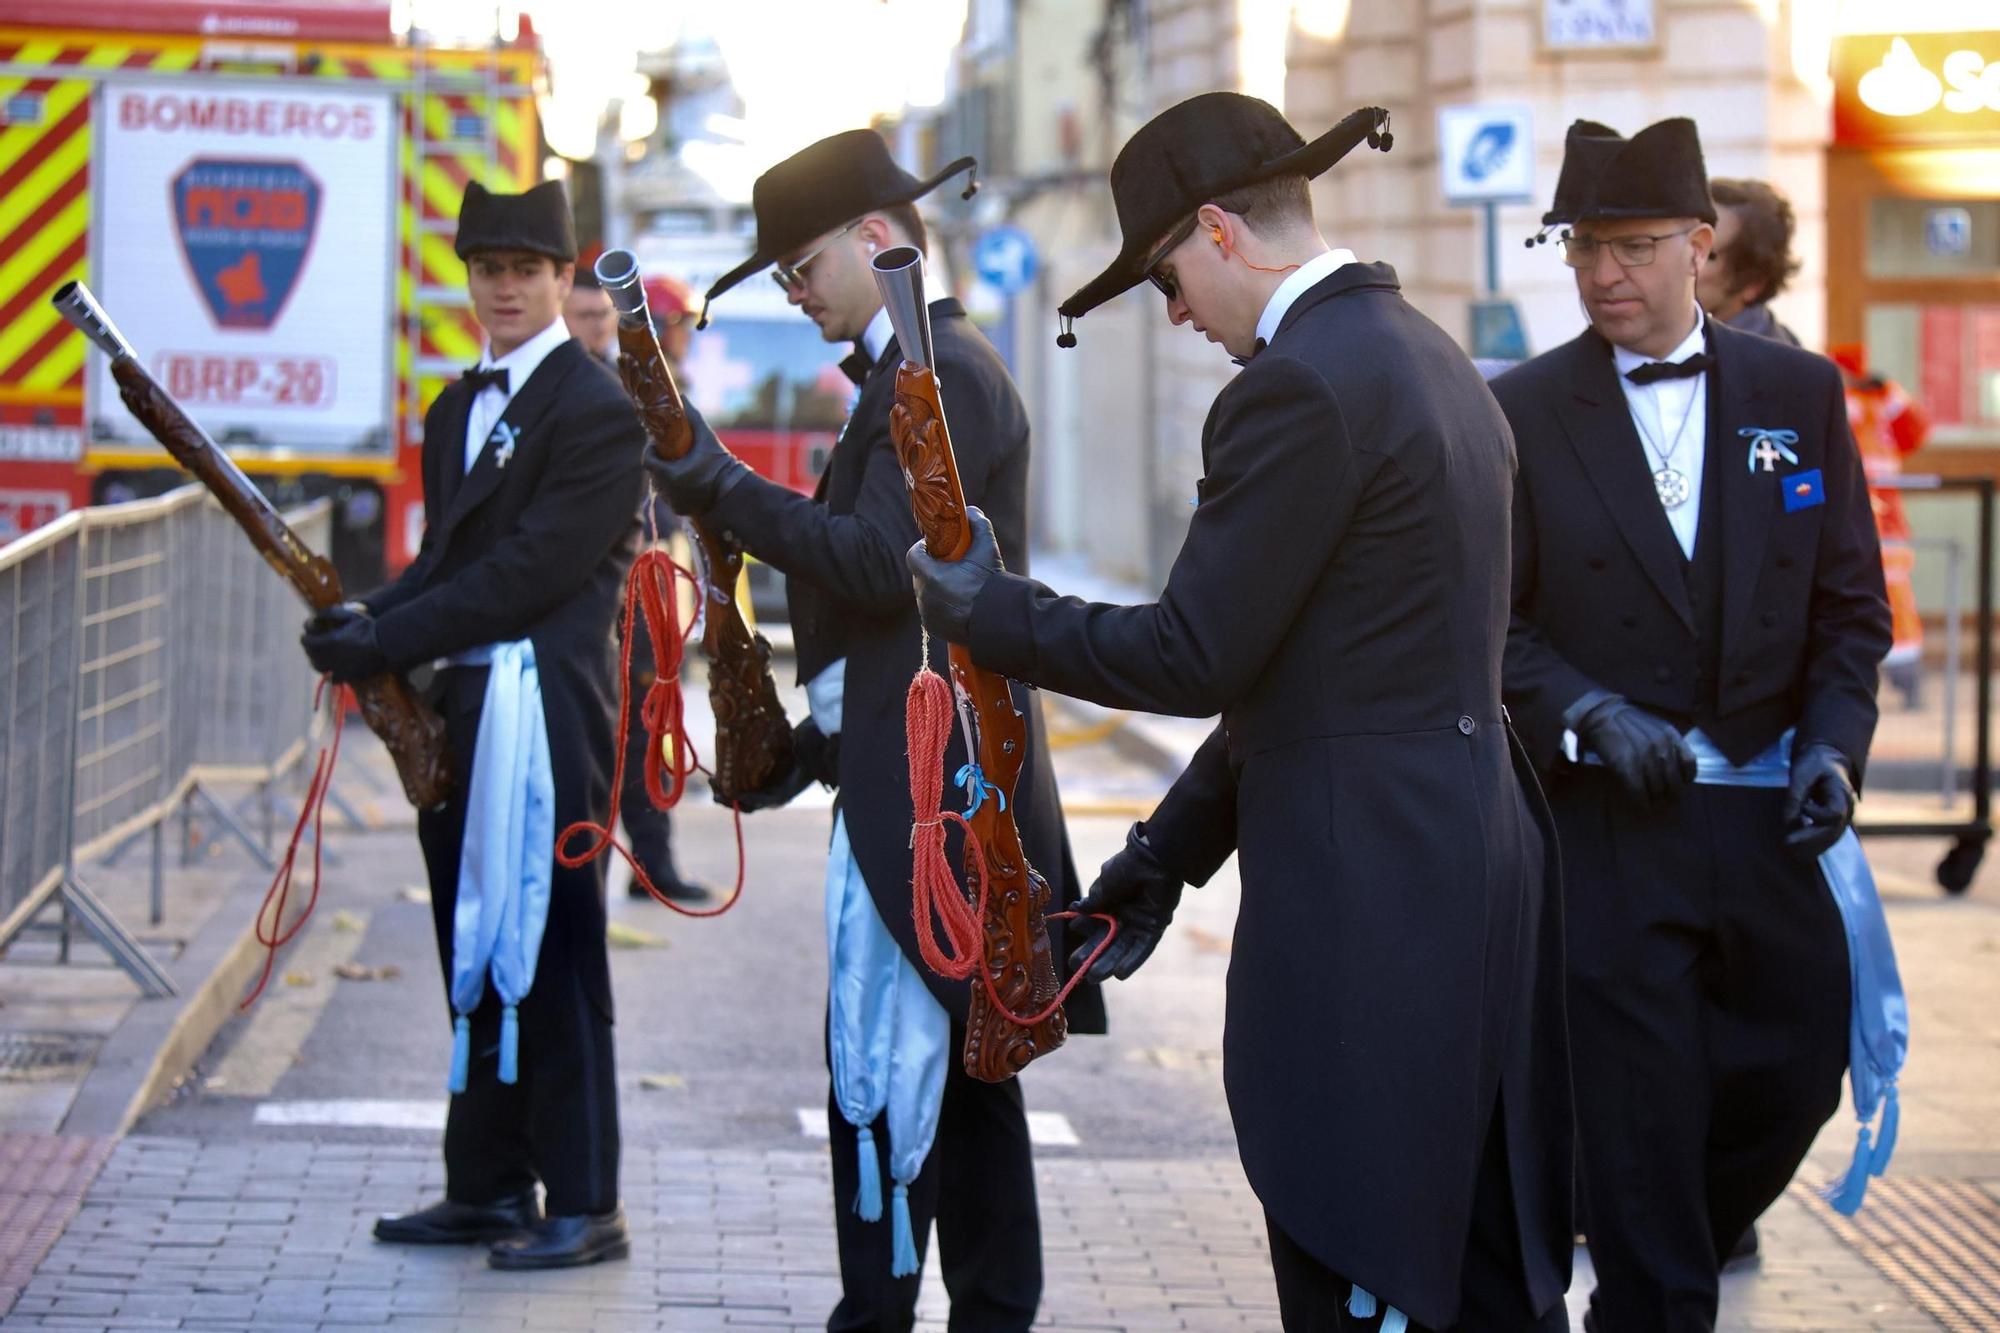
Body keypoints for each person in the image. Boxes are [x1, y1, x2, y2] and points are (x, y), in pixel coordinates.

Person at [905, 93, 1571, 1333]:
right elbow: (1308, 677)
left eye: (1163, 277)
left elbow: (1191, 651)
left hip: (1369, 885)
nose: (1170, 313)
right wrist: (1157, 860)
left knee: (1363, 1263)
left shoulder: (1299, 384)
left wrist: (990, 611)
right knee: (1465, 1267)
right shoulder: (1426, 356)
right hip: (1467, 857)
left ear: (1218, 230)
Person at [643, 128, 1104, 1331]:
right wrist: (800, 753)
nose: (792, 293)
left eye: (799, 266)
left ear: (877, 238)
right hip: (919, 777)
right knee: (961, 1077)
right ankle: (980, 1309)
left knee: (893, 1077)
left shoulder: (938, 374)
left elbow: (874, 564)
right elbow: (874, 622)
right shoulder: (915, 371)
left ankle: (889, 1313)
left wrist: (716, 480)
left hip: (943, 795)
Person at [1494, 119, 1892, 1332]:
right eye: (1581, 249)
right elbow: (1494, 629)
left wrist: (1833, 745)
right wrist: (1589, 712)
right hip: (1611, 828)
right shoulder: (1516, 407)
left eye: (1630, 247)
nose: (1601, 273)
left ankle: (1658, 1238)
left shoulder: (1800, 391)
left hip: (1769, 816)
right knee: (1639, 1107)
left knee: (1795, 1069)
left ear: (1698, 246)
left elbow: (1848, 611)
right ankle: (1649, 1286)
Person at [301, 179, 642, 1270]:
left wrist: (388, 641)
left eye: (526, 270)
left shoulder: (599, 409)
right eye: (486, 269)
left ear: (561, 277)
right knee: (473, 942)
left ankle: (585, 1198)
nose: (504, 287)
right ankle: (488, 1183)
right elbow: (448, 563)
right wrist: (366, 616)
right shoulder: (457, 409)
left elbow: (530, 573)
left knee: (554, 947)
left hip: (548, 711)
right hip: (468, 705)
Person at [563, 264, 712, 902]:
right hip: (610, 589)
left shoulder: (637, 382)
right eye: (587, 317)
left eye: (605, 316)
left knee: (647, 721)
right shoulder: (589, 391)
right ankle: (621, 865)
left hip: (646, 578)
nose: (679, 337)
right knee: (621, 727)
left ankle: (651, 864)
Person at [1833, 342, 1930, 708]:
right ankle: (1902, 679)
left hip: (1875, 518)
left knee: (1885, 598)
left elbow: (1914, 431)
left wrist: (1887, 390)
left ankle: (1902, 679)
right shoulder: (1868, 403)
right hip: (1874, 517)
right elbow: (1915, 431)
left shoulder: (1859, 403)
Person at [1697, 177, 1801, 346]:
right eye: (1688, 244)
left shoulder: (1766, 365)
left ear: (1753, 285)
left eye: (1708, 255)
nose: (1683, 262)